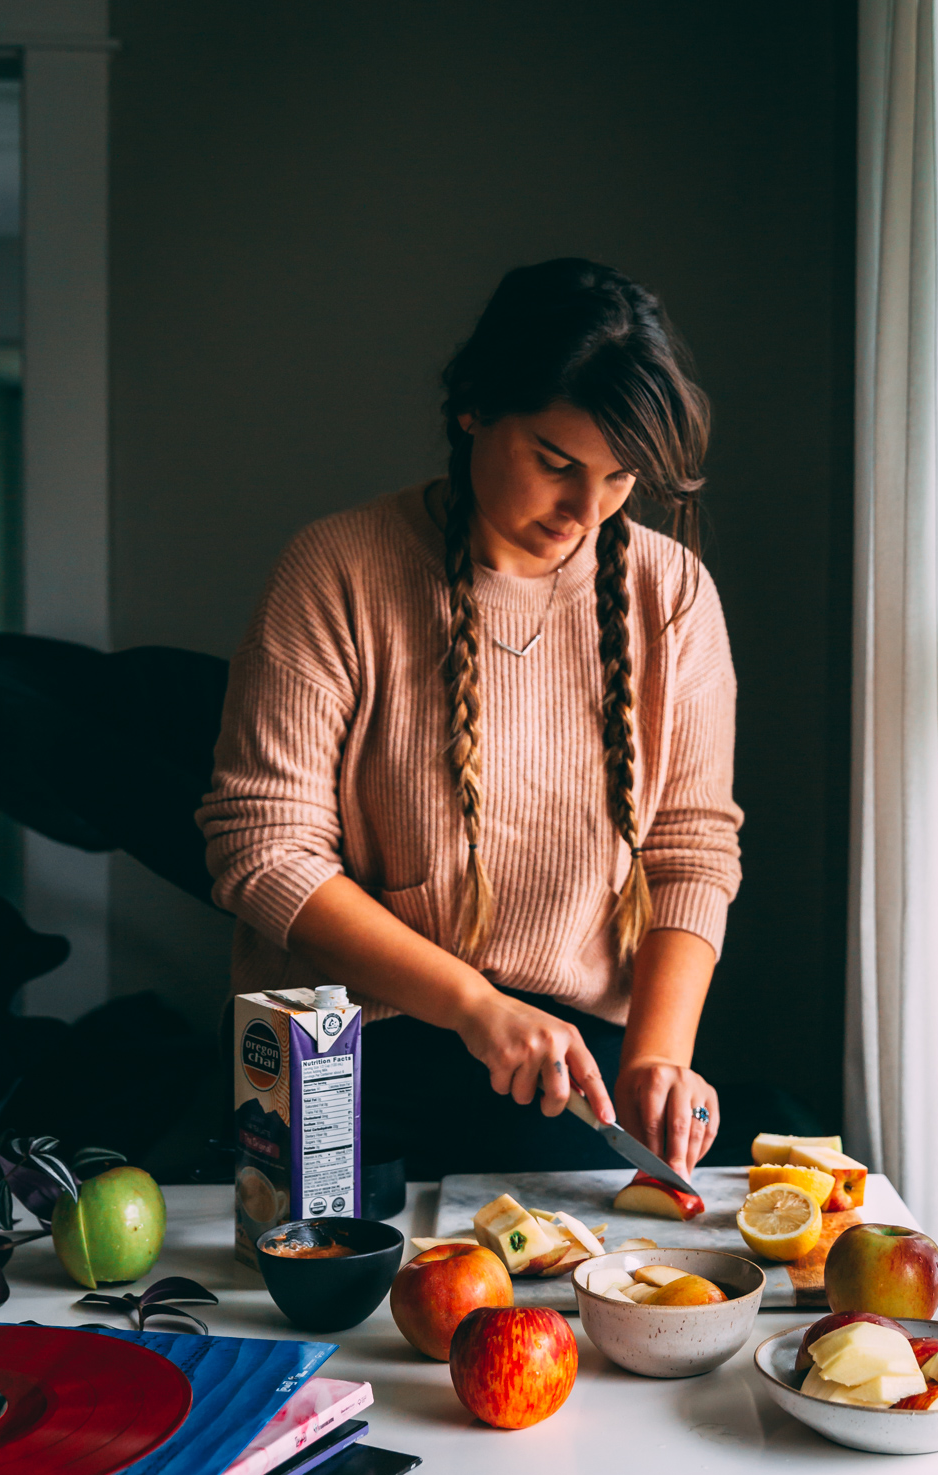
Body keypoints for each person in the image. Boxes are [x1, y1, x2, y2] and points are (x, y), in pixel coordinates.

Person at [198, 258, 742, 1181]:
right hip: (338, 1042)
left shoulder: (672, 592)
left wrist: (660, 1056)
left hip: (568, 1062)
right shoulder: (337, 569)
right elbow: (263, 848)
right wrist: (471, 1004)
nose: (584, 512)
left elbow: (690, 849)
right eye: (556, 463)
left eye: (620, 480)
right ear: (475, 409)